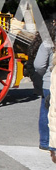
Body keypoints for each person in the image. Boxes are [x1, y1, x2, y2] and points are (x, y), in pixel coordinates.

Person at [34, 21, 55, 152]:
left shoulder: (48, 42)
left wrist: (45, 75)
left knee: (46, 111)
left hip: (50, 82)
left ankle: (45, 141)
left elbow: (39, 64)